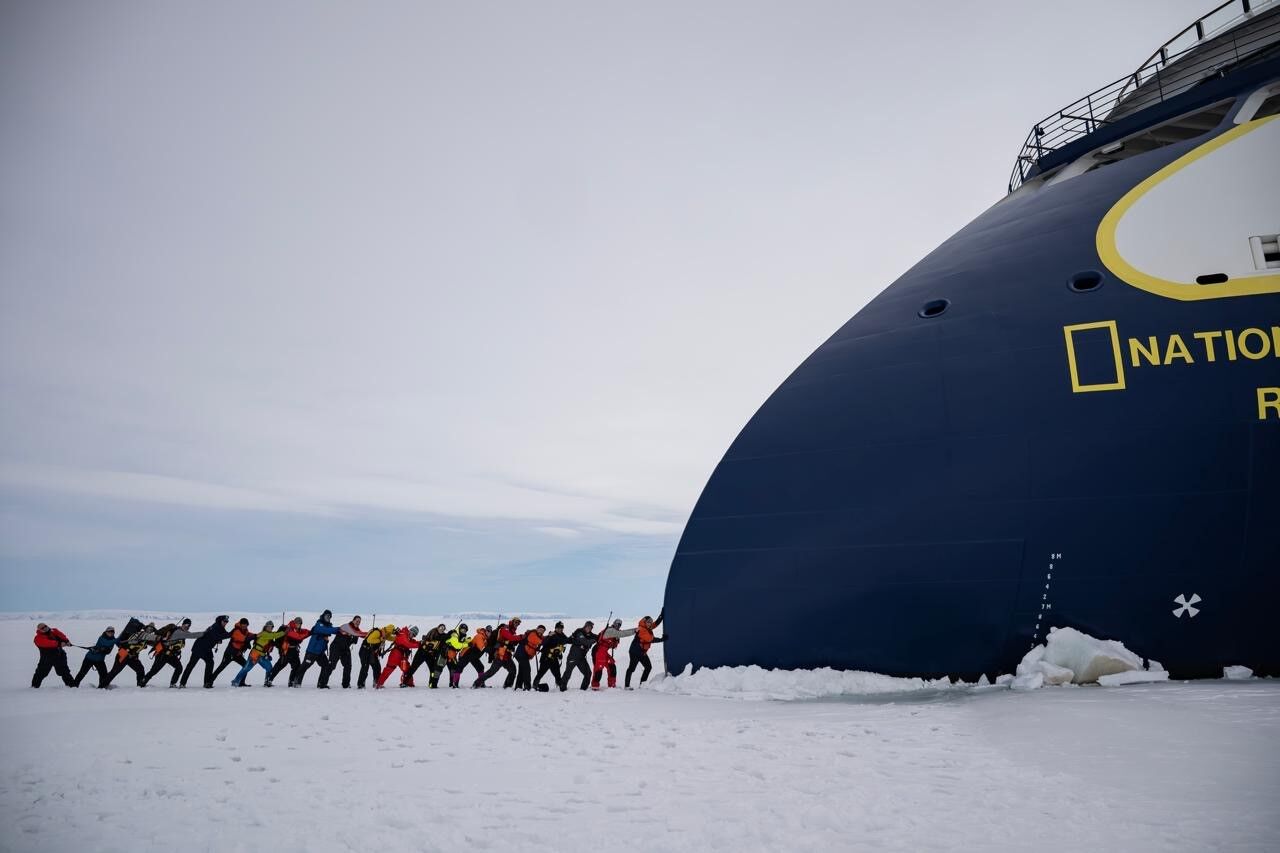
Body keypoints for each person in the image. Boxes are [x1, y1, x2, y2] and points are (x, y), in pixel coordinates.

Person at [142, 618, 201, 687]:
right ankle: (142, 682)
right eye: (186, 625)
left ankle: (173, 684)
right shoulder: (178, 632)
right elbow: (193, 635)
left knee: (179, 668)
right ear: (182, 624)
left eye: (188, 626)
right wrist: (205, 633)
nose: (187, 627)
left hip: (170, 655)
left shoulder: (183, 633)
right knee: (154, 670)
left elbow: (192, 634)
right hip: (163, 654)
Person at [180, 615, 232, 688]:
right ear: (220, 621)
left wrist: (223, 637)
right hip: (199, 648)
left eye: (227, 622)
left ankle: (207, 683)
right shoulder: (215, 627)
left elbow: (223, 635)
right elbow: (220, 636)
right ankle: (182, 683)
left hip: (207, 649)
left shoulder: (220, 627)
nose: (226, 623)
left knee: (210, 663)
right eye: (224, 621)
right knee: (191, 665)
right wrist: (231, 633)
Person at [103, 621, 155, 687]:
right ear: (146, 628)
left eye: (151, 629)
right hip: (123, 653)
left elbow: (151, 643)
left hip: (132, 657)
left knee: (140, 669)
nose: (150, 630)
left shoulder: (146, 639)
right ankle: (102, 686)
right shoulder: (140, 634)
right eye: (149, 628)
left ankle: (140, 686)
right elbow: (153, 638)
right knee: (115, 671)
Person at [232, 621, 284, 686]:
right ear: (265, 627)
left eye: (271, 627)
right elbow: (274, 635)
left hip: (262, 656)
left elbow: (274, 634)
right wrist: (284, 632)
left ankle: (267, 682)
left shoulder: (269, 634)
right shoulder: (264, 634)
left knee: (269, 667)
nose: (270, 628)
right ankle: (235, 681)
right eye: (268, 627)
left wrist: (282, 628)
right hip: (254, 655)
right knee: (246, 668)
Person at [297, 610, 340, 687]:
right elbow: (325, 630)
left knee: (326, 666)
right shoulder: (319, 624)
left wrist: (343, 630)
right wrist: (338, 629)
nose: (328, 617)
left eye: (329, 616)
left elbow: (330, 630)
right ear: (323, 615)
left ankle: (321, 684)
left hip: (320, 653)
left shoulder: (328, 626)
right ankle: (296, 682)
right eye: (327, 616)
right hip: (312, 651)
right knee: (305, 666)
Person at [475, 617, 521, 688]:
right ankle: (476, 683)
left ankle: (507, 686)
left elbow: (511, 640)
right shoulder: (504, 629)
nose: (517, 624)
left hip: (507, 656)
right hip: (500, 655)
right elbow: (510, 637)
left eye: (518, 623)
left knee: (513, 670)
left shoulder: (512, 631)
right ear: (512, 622)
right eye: (516, 622)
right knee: (491, 672)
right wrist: (521, 636)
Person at [592, 619, 635, 690]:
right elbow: (623, 633)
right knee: (599, 668)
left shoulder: (615, 632)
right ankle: (595, 686)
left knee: (612, 666)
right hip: (598, 650)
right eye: (617, 624)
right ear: (614, 623)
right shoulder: (611, 630)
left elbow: (617, 638)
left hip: (604, 651)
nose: (618, 625)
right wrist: (635, 631)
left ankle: (612, 685)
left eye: (619, 625)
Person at [625, 612, 665, 689]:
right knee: (632, 668)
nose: (650, 624)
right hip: (635, 652)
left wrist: (661, 615)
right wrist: (662, 639)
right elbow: (650, 639)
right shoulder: (641, 629)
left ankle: (642, 685)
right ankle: (627, 686)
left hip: (642, 652)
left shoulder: (648, 627)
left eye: (650, 622)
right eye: (648, 622)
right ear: (644, 622)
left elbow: (655, 624)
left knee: (648, 667)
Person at [326, 615, 368, 688]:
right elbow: (357, 633)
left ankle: (346, 684)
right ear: (353, 620)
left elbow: (359, 636)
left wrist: (372, 634)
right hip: (336, 647)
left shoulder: (356, 630)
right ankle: (322, 683)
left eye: (359, 622)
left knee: (348, 666)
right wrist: (369, 633)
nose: (358, 622)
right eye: (357, 621)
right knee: (331, 665)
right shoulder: (346, 626)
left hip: (345, 649)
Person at [267, 617, 310, 687]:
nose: (298, 624)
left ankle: (291, 682)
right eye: (297, 623)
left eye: (299, 623)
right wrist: (280, 649)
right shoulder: (288, 629)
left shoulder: (298, 630)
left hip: (294, 651)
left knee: (296, 666)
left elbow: (303, 634)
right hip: (286, 651)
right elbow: (298, 637)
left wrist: (311, 632)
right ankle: (269, 680)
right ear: (294, 623)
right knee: (280, 665)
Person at [209, 618, 254, 685]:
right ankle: (209, 682)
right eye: (243, 624)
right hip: (229, 654)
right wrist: (252, 637)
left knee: (246, 666)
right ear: (240, 624)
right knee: (221, 668)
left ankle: (241, 682)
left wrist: (257, 636)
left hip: (237, 654)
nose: (244, 626)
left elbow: (250, 635)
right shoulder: (236, 631)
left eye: (246, 624)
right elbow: (243, 638)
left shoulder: (245, 631)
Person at [31, 623, 75, 688]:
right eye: (42, 628)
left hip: (60, 656)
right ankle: (34, 687)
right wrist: (59, 644)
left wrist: (66, 641)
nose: (45, 628)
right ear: (39, 630)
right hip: (47, 658)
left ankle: (72, 686)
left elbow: (61, 635)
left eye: (45, 626)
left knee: (64, 671)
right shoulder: (38, 638)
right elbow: (48, 643)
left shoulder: (54, 631)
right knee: (41, 673)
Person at [406, 623, 448, 688]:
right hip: (421, 652)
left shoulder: (443, 636)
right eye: (441, 628)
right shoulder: (433, 632)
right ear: (438, 627)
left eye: (443, 629)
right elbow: (430, 639)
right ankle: (404, 682)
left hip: (429, 655)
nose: (441, 629)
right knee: (413, 667)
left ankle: (432, 684)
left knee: (433, 670)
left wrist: (450, 633)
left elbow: (444, 639)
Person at [559, 620, 595, 691]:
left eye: (590, 627)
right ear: (585, 626)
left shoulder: (591, 635)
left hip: (581, 658)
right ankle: (562, 688)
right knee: (568, 672)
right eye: (587, 627)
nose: (589, 628)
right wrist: (593, 641)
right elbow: (584, 641)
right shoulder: (579, 632)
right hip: (573, 657)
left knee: (588, 673)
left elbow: (598, 637)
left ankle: (583, 689)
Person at [533, 621, 569, 691]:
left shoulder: (563, 636)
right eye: (558, 628)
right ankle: (535, 685)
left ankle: (561, 686)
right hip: (546, 658)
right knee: (541, 673)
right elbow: (543, 643)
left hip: (554, 659)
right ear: (555, 628)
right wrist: (549, 636)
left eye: (561, 628)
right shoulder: (551, 635)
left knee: (557, 674)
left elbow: (567, 641)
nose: (560, 629)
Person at [357, 623, 394, 688]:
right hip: (365, 651)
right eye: (389, 633)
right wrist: (380, 640)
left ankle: (377, 683)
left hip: (372, 653)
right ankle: (360, 684)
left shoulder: (385, 634)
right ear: (387, 631)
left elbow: (392, 638)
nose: (387, 636)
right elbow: (369, 640)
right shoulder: (377, 632)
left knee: (377, 667)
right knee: (365, 667)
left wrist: (400, 636)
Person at [513, 624, 545, 691]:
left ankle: (518, 686)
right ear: (537, 629)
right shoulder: (533, 634)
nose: (541, 631)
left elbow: (543, 639)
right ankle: (527, 687)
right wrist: (547, 639)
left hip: (523, 654)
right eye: (540, 629)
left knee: (522, 670)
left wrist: (549, 636)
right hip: (521, 654)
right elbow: (540, 641)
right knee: (527, 670)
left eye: (543, 631)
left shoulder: (539, 636)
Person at [444, 624, 471, 688]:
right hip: (446, 653)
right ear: (459, 629)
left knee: (454, 669)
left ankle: (452, 684)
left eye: (465, 630)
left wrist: (469, 640)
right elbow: (457, 645)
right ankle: (434, 685)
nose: (463, 631)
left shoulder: (463, 636)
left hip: (452, 654)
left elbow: (464, 641)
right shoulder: (455, 635)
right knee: (440, 669)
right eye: (462, 629)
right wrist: (467, 645)